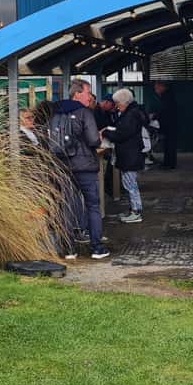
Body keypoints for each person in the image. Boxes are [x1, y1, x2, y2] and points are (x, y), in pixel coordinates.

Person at [48, 79, 108, 260]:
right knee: (93, 205)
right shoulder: (84, 113)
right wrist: (98, 137)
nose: (90, 97)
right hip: (85, 167)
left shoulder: (56, 113)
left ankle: (69, 249)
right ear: (77, 94)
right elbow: (93, 141)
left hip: (63, 165)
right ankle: (97, 248)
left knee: (66, 206)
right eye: (88, 93)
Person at [102, 88, 146, 223]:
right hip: (130, 154)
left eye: (118, 104)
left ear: (124, 102)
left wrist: (105, 133)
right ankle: (134, 209)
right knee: (130, 183)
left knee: (130, 184)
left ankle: (136, 211)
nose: (116, 107)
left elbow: (121, 135)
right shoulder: (133, 112)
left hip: (129, 155)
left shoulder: (130, 115)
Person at [153, 81, 178, 169]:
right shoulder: (167, 96)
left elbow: (163, 111)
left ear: (162, 87)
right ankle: (168, 163)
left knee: (169, 144)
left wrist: (154, 116)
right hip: (169, 124)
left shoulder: (166, 96)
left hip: (169, 125)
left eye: (156, 88)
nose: (155, 90)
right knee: (168, 144)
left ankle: (170, 164)